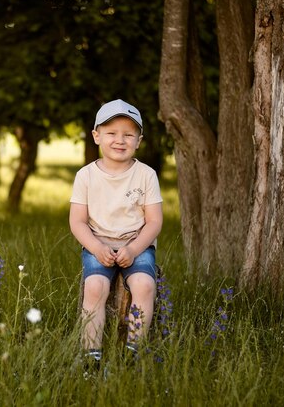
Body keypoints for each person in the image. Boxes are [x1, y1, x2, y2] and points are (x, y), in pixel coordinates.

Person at [69, 99, 163, 367]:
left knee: (144, 285)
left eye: (128, 134)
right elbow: (77, 222)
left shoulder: (146, 175)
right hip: (97, 243)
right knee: (95, 287)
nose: (119, 140)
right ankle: (91, 357)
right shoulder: (86, 175)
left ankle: (134, 353)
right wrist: (97, 248)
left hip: (138, 244)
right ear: (97, 136)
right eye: (111, 133)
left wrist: (133, 250)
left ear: (139, 140)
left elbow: (154, 222)